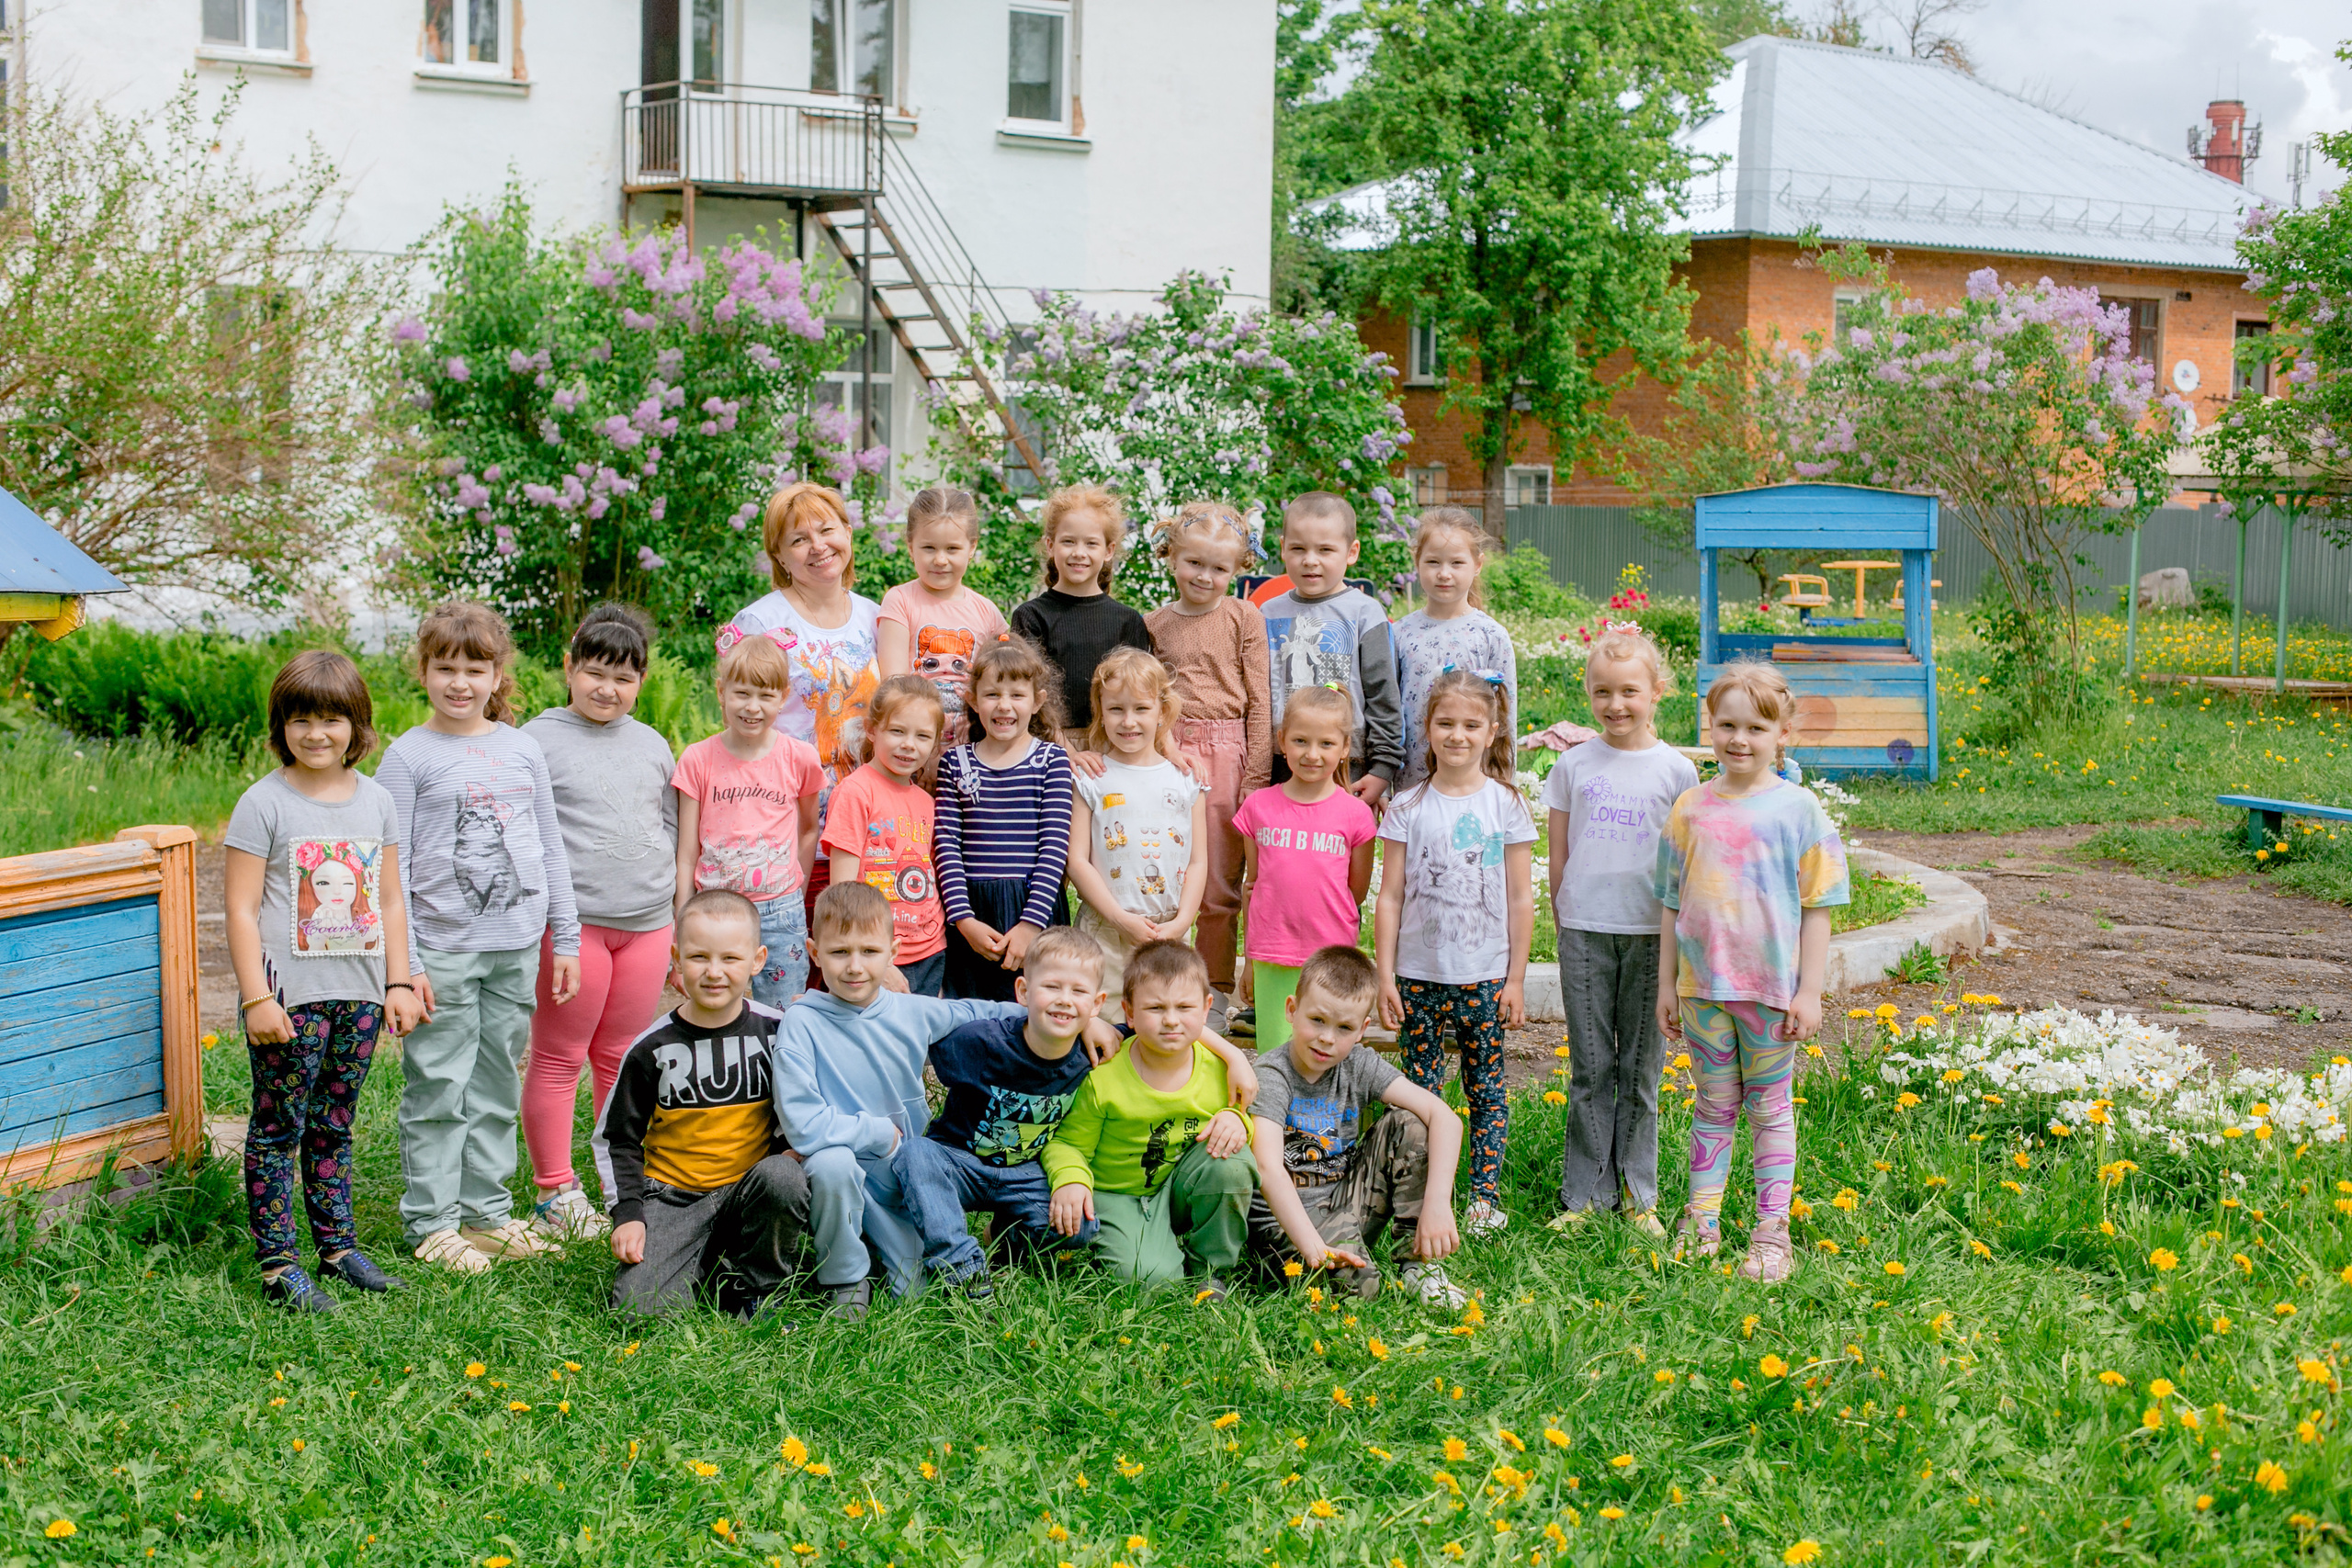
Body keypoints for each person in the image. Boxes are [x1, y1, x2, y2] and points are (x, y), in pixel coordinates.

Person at [379, 602, 582, 1272]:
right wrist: (402, 969)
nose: (460, 682)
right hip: (441, 951)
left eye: (475, 668)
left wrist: (567, 938)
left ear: (499, 674)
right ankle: (432, 1222)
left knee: (496, 1078)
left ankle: (486, 1213)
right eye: (446, 668)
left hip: (515, 946)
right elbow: (393, 869)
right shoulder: (408, 757)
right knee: (440, 1083)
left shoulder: (522, 749)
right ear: (424, 671)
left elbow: (550, 848)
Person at [223, 650, 424, 1312]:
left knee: (335, 1124)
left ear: (356, 725)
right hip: (290, 1001)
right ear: (280, 726)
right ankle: (280, 1263)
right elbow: (241, 908)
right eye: (301, 718)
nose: (316, 733)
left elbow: (391, 899)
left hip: (361, 996)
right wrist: (255, 996)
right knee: (280, 1127)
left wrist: (398, 983)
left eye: (331, 718)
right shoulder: (263, 803)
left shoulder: (379, 801)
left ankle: (337, 1249)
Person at [1656, 661, 1849, 1284]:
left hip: (1768, 993)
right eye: (1727, 725)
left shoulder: (1800, 810)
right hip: (1703, 989)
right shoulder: (1690, 808)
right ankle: (1702, 1221)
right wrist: (1667, 983)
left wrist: (1809, 990)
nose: (1739, 739)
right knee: (1712, 1105)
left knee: (1770, 1109)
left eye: (1756, 727)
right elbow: (1670, 901)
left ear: (1782, 733)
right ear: (1710, 726)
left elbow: (1819, 905)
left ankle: (1771, 1232)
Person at [769, 883, 1029, 1320]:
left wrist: (1068, 1020)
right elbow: (802, 1123)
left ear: (893, 950)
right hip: (838, 1167)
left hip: (900, 1175)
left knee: (913, 1297)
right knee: (833, 1165)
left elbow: (983, 1012)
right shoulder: (801, 1022)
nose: (855, 967)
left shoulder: (911, 1011)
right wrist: (873, 1132)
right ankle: (845, 1277)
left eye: (869, 952)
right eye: (839, 953)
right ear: (814, 952)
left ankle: (893, 1253)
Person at [520, 604, 679, 1242]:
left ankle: (619, 1177)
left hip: (646, 924)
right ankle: (555, 1188)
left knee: (620, 1055)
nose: (607, 689)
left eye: (623, 677)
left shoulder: (651, 741)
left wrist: (672, 914)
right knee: (560, 1057)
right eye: (594, 672)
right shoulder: (537, 739)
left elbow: (666, 823)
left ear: (640, 679)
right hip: (574, 926)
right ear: (569, 667)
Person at [1544, 624, 1696, 1239]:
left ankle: (1638, 1193)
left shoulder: (1678, 770)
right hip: (1585, 928)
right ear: (1588, 691)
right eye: (1602, 691)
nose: (1615, 704)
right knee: (1590, 1067)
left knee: (1639, 1068)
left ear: (1658, 691)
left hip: (1649, 934)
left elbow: (1686, 861)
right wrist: (1562, 917)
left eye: (1630, 690)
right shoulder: (1572, 765)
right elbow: (1558, 852)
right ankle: (1584, 1194)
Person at [1374, 670, 1536, 1241]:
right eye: (1446, 723)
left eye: (1471, 725)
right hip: (1418, 977)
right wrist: (1385, 975)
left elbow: (1521, 898)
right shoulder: (1408, 805)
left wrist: (1515, 978)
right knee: (1418, 1089)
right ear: (1427, 729)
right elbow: (1389, 896)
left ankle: (1484, 1197)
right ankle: (1415, 1193)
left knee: (1487, 1089)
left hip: (1484, 978)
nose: (1458, 735)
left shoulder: (1506, 805)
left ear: (1493, 731)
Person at [596, 890, 811, 1318]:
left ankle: (757, 1285)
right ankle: (706, 1265)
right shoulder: (651, 1048)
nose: (714, 973)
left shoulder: (779, 1032)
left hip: (748, 1191)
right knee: (636, 1312)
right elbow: (616, 1138)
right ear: (676, 958)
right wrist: (629, 1214)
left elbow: (806, 1099)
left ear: (758, 959)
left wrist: (793, 1146)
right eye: (698, 958)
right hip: (673, 1197)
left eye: (730, 959)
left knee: (784, 1176)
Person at [1244, 944, 1468, 1308]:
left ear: (1362, 1029)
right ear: (1291, 1009)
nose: (1327, 1038)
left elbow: (1445, 1118)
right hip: (1286, 1223)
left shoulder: (1358, 1065)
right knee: (1359, 1287)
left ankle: (1417, 1267)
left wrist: (1438, 1203)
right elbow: (1268, 1168)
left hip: (1345, 1200)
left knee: (1411, 1124)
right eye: (1317, 1020)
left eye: (1344, 1027)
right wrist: (1313, 1246)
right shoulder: (1272, 1075)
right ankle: (1319, 1262)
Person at [717, 480, 885, 944]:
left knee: (858, 966)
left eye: (826, 530)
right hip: (788, 833)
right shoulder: (760, 623)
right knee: (795, 970)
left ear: (848, 533)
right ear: (780, 556)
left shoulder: (878, 618)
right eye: (798, 539)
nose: (817, 547)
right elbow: (738, 729)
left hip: (869, 832)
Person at [1042, 940, 1256, 1295]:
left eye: (1184, 1007)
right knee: (1152, 1282)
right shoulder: (1104, 1076)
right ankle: (1137, 1247)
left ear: (1206, 1010)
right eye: (1155, 1007)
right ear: (1129, 1012)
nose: (1171, 1020)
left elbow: (1244, 1121)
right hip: (1120, 1195)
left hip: (1181, 1189)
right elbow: (1066, 1144)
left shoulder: (1220, 1070)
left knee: (1232, 1164)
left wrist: (1238, 1120)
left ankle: (1210, 1267)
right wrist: (1071, 1179)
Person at [898, 927, 1109, 1280]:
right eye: (1052, 987)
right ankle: (962, 1266)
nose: (1065, 1000)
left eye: (1078, 992)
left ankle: (1003, 1239)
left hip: (1024, 1173)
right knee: (916, 1154)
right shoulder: (981, 1042)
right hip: (959, 1162)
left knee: (1080, 1226)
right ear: (1024, 992)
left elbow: (1158, 1028)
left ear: (1097, 1004)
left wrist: (1234, 1056)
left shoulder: (1092, 1053)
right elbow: (907, 1033)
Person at [1144, 501, 1272, 1009]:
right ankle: (1160, 987)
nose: (1205, 576)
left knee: (1220, 884)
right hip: (1167, 755)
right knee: (1163, 872)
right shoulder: (1152, 624)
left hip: (1227, 755)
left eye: (1219, 568)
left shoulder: (1245, 617)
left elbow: (1260, 701)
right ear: (1171, 557)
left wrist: (1255, 780)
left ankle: (1215, 994)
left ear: (1238, 570)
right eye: (1194, 562)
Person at [672, 634, 825, 1008]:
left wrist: (795, 890)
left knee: (783, 1015)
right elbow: (687, 853)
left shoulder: (800, 758)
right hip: (713, 911)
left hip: (780, 910)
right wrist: (681, 925)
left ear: (783, 696)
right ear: (721, 691)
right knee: (715, 1008)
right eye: (742, 694)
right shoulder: (698, 759)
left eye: (765, 696)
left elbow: (808, 829)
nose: (752, 707)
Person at [1229, 686, 1376, 1051]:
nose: (1312, 754)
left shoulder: (1356, 815)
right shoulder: (1258, 808)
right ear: (1281, 741)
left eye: (1326, 744)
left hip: (1331, 958)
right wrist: (1250, 963)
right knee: (1276, 1054)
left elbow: (1355, 891)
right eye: (1300, 741)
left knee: (1327, 1051)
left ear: (1345, 749)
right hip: (1272, 956)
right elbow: (1254, 886)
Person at [935, 637, 1074, 1001]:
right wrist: (963, 920)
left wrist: (1031, 925)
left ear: (1037, 701)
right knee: (971, 1017)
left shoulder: (1051, 761)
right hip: (972, 909)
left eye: (1017, 694)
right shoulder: (955, 763)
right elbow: (946, 845)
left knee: (1036, 1009)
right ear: (973, 700)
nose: (1004, 706)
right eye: (993, 694)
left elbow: (1055, 848)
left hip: (1034, 904)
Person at [1066, 647, 1209, 998]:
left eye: (1141, 709)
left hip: (1170, 928)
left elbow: (1198, 860)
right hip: (1105, 928)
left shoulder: (1187, 779)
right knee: (1105, 1023)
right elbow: (1076, 860)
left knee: (1163, 1020)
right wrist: (1117, 918)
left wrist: (1182, 922)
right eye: (1116, 709)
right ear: (1101, 712)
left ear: (1162, 711)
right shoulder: (1090, 777)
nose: (1128, 721)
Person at [1260, 491, 1402, 806]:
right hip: (1281, 763)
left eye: (1325, 550)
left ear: (1351, 552)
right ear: (1282, 548)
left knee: (1340, 851)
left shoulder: (1365, 613)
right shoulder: (1266, 613)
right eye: (1298, 548)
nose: (1310, 560)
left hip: (1347, 766)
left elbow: (1383, 696)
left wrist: (1382, 770)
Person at [821, 675, 950, 996]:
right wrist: (879, 962)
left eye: (922, 736)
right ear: (871, 729)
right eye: (897, 731)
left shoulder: (928, 803)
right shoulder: (856, 793)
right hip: (874, 956)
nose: (909, 744)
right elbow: (842, 893)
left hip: (930, 950)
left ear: (934, 745)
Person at [1010, 483, 1153, 741]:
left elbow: (1141, 696)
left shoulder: (1127, 621)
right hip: (1049, 745)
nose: (1079, 553)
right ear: (1050, 545)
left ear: (1109, 551)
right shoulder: (1031, 617)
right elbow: (1027, 695)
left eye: (1091, 543)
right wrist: (1068, 752)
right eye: (1068, 542)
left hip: (1116, 744)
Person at [1394, 508, 1519, 790]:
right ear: (1418, 561)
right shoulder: (1399, 634)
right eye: (1433, 562)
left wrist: (1504, 785)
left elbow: (1505, 715)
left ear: (1477, 564)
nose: (1444, 573)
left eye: (1457, 563)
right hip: (1413, 784)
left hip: (1474, 784)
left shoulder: (1491, 636)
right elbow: (1388, 711)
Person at [876, 486, 1008, 748]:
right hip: (914, 751)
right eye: (928, 547)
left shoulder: (988, 612)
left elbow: (1005, 685)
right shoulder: (900, 601)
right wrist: (925, 751)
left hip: (974, 755)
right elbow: (894, 687)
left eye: (952, 548)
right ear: (910, 546)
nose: (940, 559)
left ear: (972, 547)